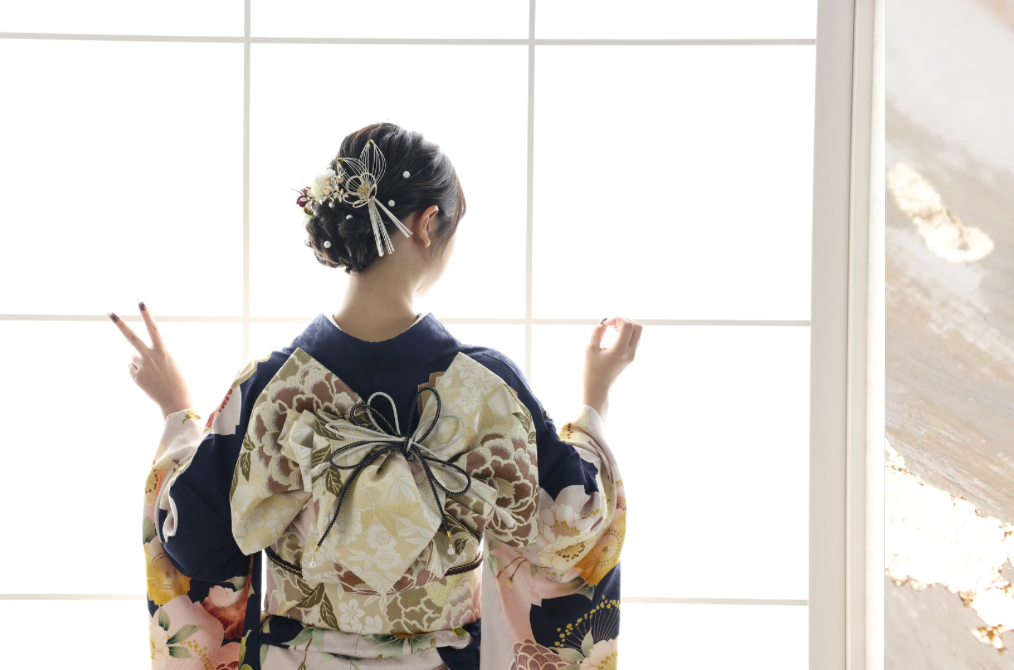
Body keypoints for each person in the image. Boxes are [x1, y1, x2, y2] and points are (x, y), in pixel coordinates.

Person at [115, 122, 636, 669]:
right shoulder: (488, 388)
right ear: (428, 224)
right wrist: (596, 400)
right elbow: (573, 529)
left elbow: (194, 540)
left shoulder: (271, 388)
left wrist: (176, 415)